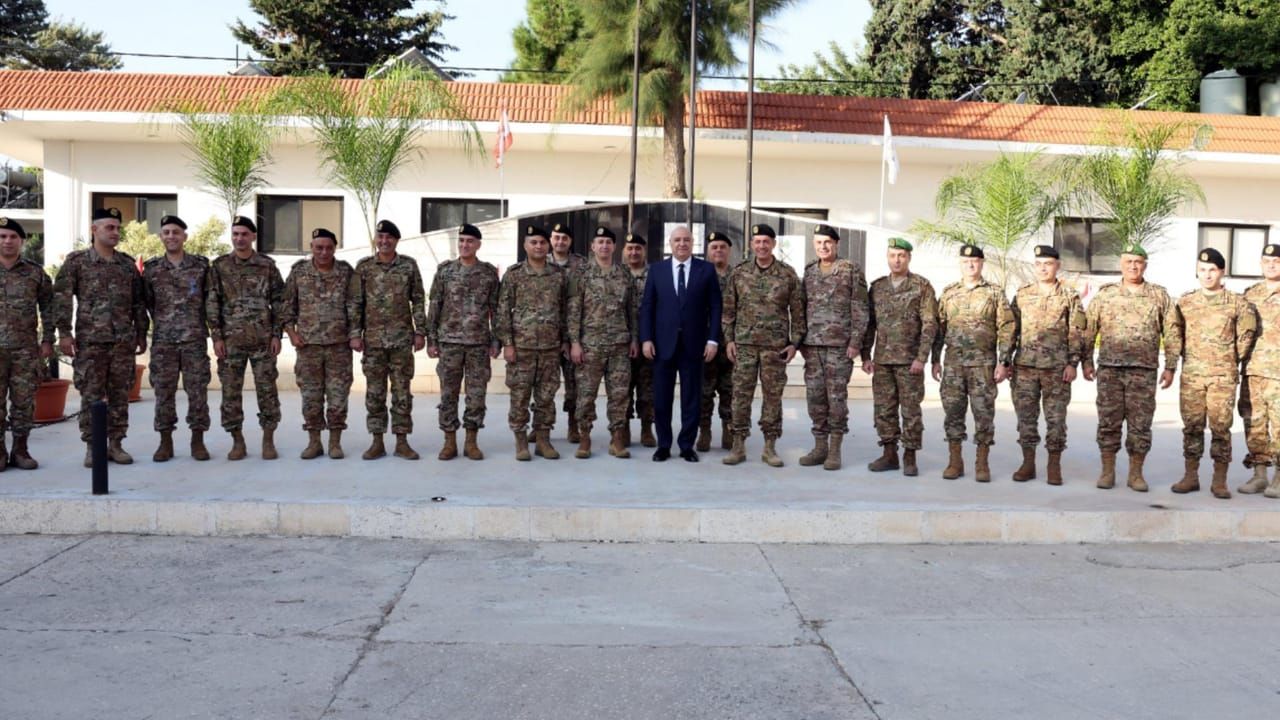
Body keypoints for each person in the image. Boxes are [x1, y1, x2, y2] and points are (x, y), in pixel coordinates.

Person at [54, 207, 148, 467]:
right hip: (90, 342)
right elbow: (61, 299)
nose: (115, 232)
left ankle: (116, 445)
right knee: (91, 395)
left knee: (120, 395)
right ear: (94, 229)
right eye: (109, 227)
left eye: (118, 228)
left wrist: (141, 332)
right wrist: (64, 334)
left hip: (122, 343)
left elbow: (138, 303)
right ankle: (93, 447)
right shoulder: (77, 262)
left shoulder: (127, 265)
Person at [1166, 247, 1256, 498]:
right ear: (1197, 271)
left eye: (1212, 270)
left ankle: (1219, 480)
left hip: (1222, 377)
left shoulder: (1237, 303)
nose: (1207, 275)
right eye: (1202, 270)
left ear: (1222, 272)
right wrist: (1173, 364)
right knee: (1192, 426)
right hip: (1193, 376)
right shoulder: (1185, 302)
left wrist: (1229, 359)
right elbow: (1175, 335)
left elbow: (1246, 336)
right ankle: (1190, 475)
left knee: (1220, 428)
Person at [1082, 244, 1173, 491]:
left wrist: (1171, 366)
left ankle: (1136, 474)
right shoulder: (1106, 295)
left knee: (1140, 424)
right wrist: (1087, 361)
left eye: (1138, 262)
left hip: (1143, 371)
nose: (1133, 266)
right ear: (1121, 264)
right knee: (1108, 421)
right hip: (1110, 370)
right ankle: (1107, 471)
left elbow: (1172, 332)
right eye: (1129, 261)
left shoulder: (1159, 296)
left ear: (1145, 265)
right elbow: (1089, 329)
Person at [720, 223, 804, 467]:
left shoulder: (787, 274)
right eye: (757, 242)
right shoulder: (739, 273)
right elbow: (728, 311)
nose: (762, 246)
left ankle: (769, 447)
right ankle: (738, 445)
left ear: (774, 244)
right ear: (751, 245)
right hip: (744, 346)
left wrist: (794, 343)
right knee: (740, 396)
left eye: (766, 241)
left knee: (773, 397)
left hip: (774, 348)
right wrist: (729, 340)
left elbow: (798, 313)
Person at [931, 244, 1014, 482]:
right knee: (953, 413)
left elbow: (1007, 327)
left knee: (983, 414)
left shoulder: (994, 293)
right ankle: (955, 461)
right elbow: (939, 328)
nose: (970, 265)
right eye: (966, 261)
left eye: (975, 261)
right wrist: (935, 360)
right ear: (961, 264)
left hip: (983, 365)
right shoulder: (948, 293)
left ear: (981, 263)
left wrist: (1004, 361)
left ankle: (982, 463)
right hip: (954, 365)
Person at [640, 226, 722, 462]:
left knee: (692, 398)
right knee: (662, 399)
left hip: (694, 345)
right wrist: (646, 339)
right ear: (670, 243)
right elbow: (648, 306)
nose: (682, 244)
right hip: (662, 345)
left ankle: (687, 445)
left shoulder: (705, 270)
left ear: (692, 242)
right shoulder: (657, 270)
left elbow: (715, 307)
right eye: (677, 240)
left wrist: (713, 339)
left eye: (686, 240)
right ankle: (663, 445)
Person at [207, 215, 285, 461]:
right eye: (235, 234)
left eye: (244, 234)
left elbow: (278, 302)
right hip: (231, 343)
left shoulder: (267, 265)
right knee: (230, 392)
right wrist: (217, 337)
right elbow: (212, 303)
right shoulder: (220, 266)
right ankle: (237, 440)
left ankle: (268, 439)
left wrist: (276, 334)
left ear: (253, 237)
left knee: (267, 391)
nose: (239, 238)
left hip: (263, 341)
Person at [1008, 245, 1086, 485]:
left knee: (1056, 419)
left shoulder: (1069, 296)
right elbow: (1011, 330)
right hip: (1024, 368)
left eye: (1048, 264)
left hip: (1056, 369)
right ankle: (1028, 463)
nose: (1043, 268)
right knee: (1026, 418)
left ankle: (1054, 465)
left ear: (1057, 266)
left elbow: (1077, 331)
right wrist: (1005, 360)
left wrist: (1073, 363)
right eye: (1039, 264)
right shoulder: (1022, 294)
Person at [350, 219, 427, 461]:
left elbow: (418, 299)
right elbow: (355, 303)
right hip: (373, 342)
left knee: (402, 392)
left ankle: (402, 442)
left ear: (396, 240)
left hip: (401, 341)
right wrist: (354, 333)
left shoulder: (408, 266)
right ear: (376, 240)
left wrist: (420, 331)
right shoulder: (363, 267)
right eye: (380, 237)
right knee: (375, 393)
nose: (384, 242)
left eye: (389, 238)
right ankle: (377, 441)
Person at [862, 238, 938, 476]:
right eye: (893, 255)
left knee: (911, 411)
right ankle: (889, 453)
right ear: (887, 257)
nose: (897, 260)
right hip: (882, 360)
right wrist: (866, 354)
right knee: (884, 409)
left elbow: (929, 324)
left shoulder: (921, 286)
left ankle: (910, 456)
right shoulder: (877, 287)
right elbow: (870, 324)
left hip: (909, 362)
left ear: (909, 258)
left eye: (902, 256)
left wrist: (922, 358)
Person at [426, 223, 500, 461]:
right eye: (461, 241)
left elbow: (496, 309)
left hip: (478, 344)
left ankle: (471, 441)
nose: (465, 245)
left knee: (476, 395)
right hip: (450, 343)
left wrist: (496, 340)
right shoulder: (445, 271)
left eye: (470, 241)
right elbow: (434, 306)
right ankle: (449, 442)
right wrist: (432, 339)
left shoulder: (488, 273)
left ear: (478, 244)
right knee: (448, 394)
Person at [798, 224, 868, 471]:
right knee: (815, 397)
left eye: (827, 242)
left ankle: (835, 449)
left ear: (836, 244)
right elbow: (801, 307)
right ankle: (820, 447)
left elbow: (860, 308)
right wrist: (799, 342)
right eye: (818, 243)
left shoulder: (850, 270)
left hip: (840, 347)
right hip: (813, 346)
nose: (823, 247)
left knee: (836, 399)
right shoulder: (809, 272)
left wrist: (856, 343)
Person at [142, 214, 212, 462]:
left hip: (194, 339)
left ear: (185, 236)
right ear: (161, 237)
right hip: (164, 343)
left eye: (176, 232)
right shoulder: (151, 270)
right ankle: (165, 442)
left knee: (198, 392)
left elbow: (209, 302)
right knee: (163, 392)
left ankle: (197, 440)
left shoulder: (201, 266)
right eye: (166, 232)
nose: (171, 236)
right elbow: (146, 304)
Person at [282, 228, 356, 460]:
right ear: (311, 248)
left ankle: (335, 443)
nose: (323, 252)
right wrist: (292, 334)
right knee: (311, 396)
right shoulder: (299, 272)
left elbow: (354, 306)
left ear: (335, 248)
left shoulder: (345, 271)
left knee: (338, 396)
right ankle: (314, 442)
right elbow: (287, 307)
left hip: (339, 346)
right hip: (308, 346)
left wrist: (355, 334)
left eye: (328, 248)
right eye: (318, 247)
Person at [497, 224, 568, 460]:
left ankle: (543, 440)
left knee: (546, 396)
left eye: (542, 242)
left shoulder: (558, 275)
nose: (538, 246)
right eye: (533, 242)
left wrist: (565, 341)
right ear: (525, 246)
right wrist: (507, 343)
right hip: (522, 348)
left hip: (550, 348)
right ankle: (521, 442)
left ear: (548, 245)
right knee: (520, 396)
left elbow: (566, 310)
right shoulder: (514, 274)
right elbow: (503, 311)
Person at [568, 226, 637, 458]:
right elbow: (574, 311)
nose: (604, 246)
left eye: (608, 242)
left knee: (619, 395)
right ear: (592, 246)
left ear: (614, 247)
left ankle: (616, 440)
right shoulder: (581, 274)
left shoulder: (624, 274)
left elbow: (632, 311)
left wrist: (634, 339)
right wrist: (575, 342)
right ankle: (584, 438)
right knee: (586, 395)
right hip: (590, 345)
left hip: (619, 345)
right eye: (600, 242)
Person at [0, 217, 53, 470]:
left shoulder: (34, 272)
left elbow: (48, 308)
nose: (7, 241)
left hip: (25, 350)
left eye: (12, 237)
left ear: (22, 241)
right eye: (2, 236)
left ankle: (20, 450)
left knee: (24, 402)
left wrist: (47, 340)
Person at [1240, 243, 1280, 498]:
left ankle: (1279, 478)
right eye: (1267, 261)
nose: (1271, 265)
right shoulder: (1249, 294)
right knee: (1253, 423)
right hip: (1253, 370)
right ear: (1261, 264)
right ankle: (1259, 475)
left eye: (1276, 261)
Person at [549, 221, 587, 443]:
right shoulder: (540, 261)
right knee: (545, 385)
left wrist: (573, 339)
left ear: (570, 241)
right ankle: (541, 425)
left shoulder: (581, 265)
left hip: (575, 336)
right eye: (556, 237)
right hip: (547, 337)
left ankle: (574, 426)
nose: (560, 241)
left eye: (564, 238)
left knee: (574, 384)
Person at [698, 231, 735, 452]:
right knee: (704, 390)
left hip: (731, 344)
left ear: (729, 251)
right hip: (704, 343)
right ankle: (704, 431)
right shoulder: (699, 274)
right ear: (707, 251)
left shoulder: (738, 275)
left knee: (730, 390)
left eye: (722, 247)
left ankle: (728, 430)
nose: (718, 250)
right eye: (714, 247)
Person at [623, 233, 655, 448]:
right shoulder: (616, 274)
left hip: (649, 341)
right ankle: (622, 428)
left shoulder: (656, 274)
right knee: (622, 388)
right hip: (620, 341)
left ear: (644, 250)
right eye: (630, 248)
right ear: (623, 251)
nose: (633, 252)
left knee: (648, 389)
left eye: (637, 248)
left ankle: (646, 429)